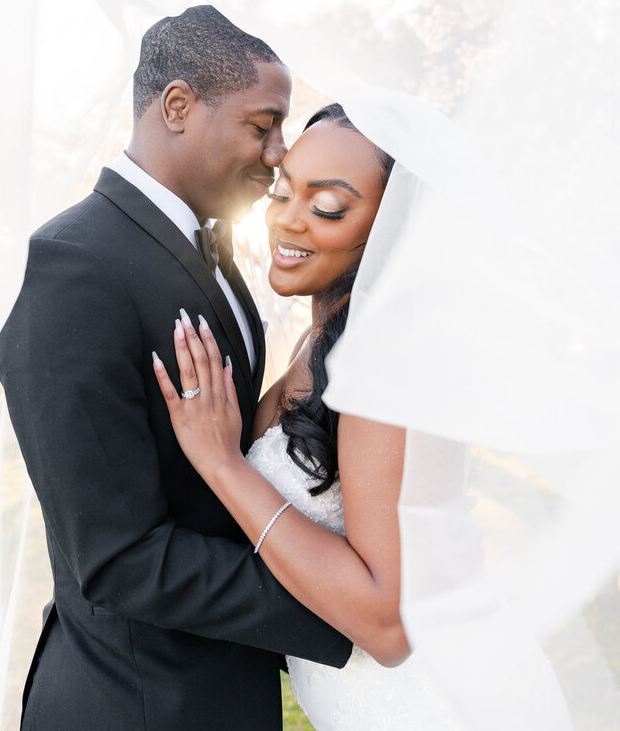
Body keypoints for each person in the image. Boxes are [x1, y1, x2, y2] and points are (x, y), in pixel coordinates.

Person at [152, 104, 572, 729]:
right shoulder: (323, 335)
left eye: (327, 207)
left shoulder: (385, 361)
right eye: (284, 191)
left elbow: (389, 624)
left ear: (393, 229)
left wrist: (221, 464)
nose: (288, 221)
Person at [0, 6, 352, 730]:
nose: (280, 152)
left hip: (219, 688)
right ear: (179, 106)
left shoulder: (209, 248)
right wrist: (341, 607)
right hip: (136, 700)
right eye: (262, 124)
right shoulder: (73, 270)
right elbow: (119, 557)